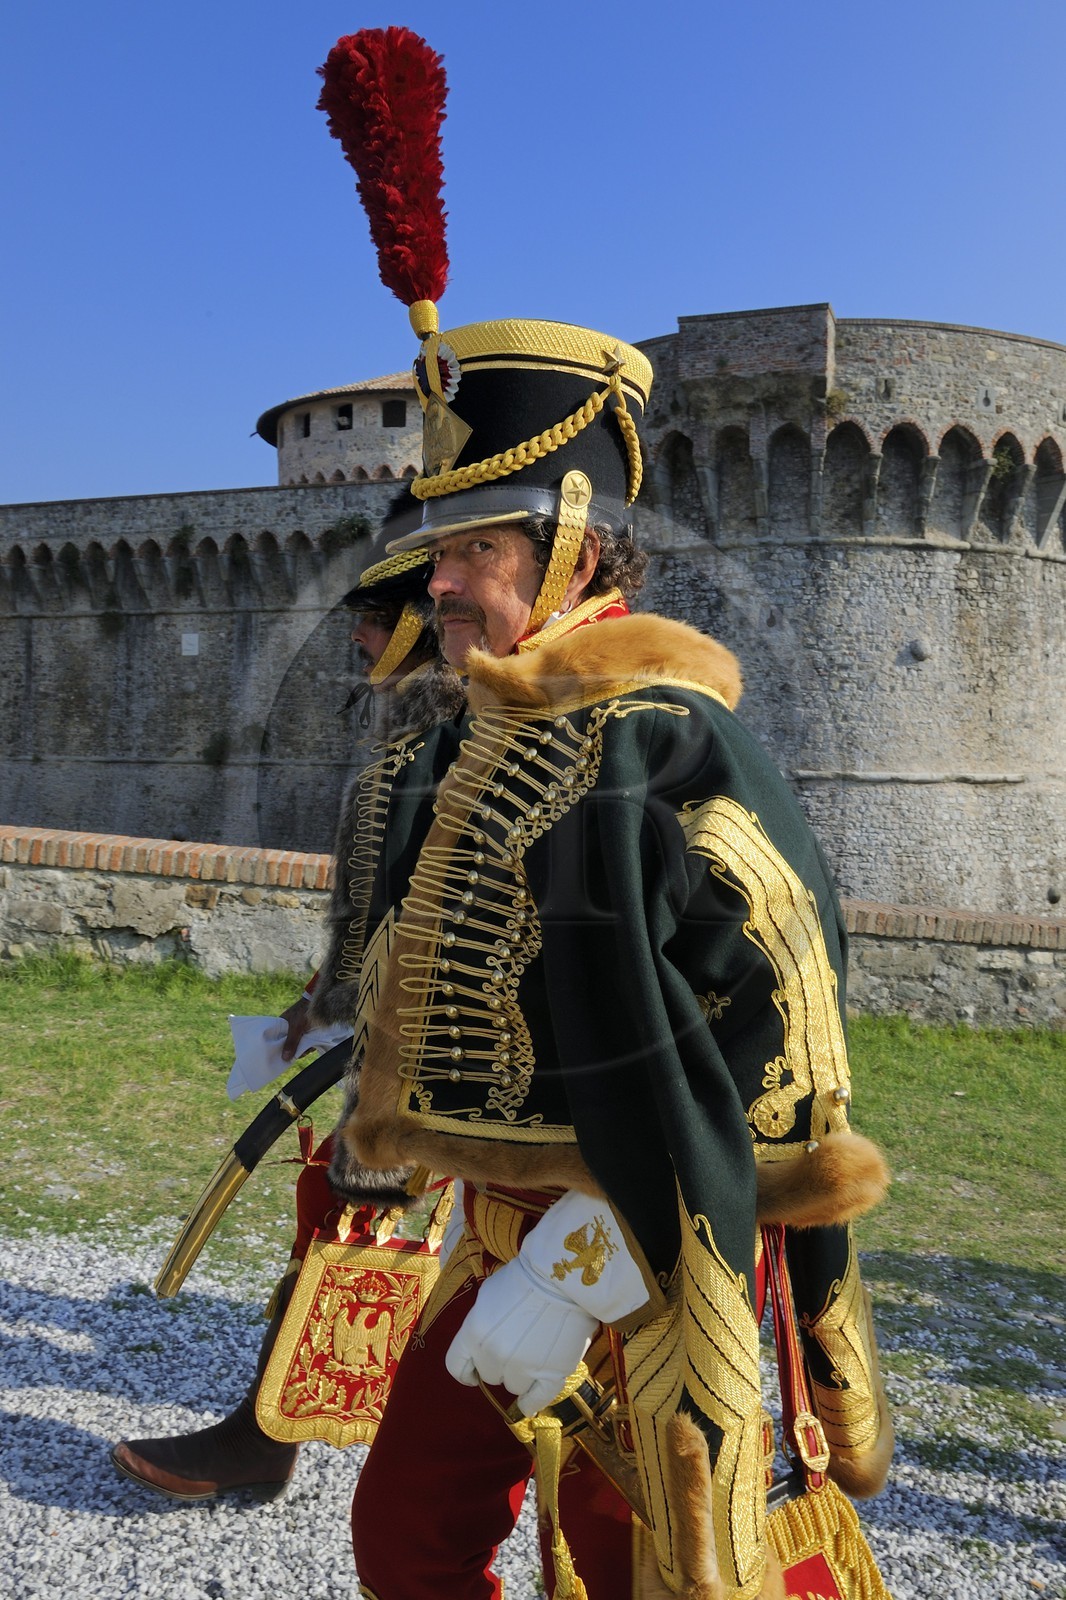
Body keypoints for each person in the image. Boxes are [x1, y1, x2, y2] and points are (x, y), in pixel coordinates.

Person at [331, 319, 894, 1600]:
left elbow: (790, 1022)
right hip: (495, 1233)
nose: (444, 588)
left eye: (480, 550)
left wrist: (586, 1256)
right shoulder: (483, 742)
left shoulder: (666, 739)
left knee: (637, 1565)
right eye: (440, 557)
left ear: (574, 544)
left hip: (643, 1246)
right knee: (407, 1535)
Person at [110, 541, 464, 1503]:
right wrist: (316, 1003)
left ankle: (277, 1438)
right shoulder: (431, 733)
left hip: (435, 1049)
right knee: (360, 1223)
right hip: (421, 1032)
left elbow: (408, 911)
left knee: (364, 1224)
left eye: (374, 618)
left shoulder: (434, 744)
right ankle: (284, 1431)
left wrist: (349, 1000)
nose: (355, 634)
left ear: (417, 628)